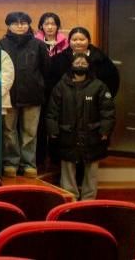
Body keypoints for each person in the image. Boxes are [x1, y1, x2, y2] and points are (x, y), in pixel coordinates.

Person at [46, 54, 116, 201]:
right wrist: (53, 131)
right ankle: (70, 198)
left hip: (93, 135)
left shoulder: (99, 86)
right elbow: (52, 112)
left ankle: (88, 200)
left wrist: (105, 131)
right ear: (71, 65)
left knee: (92, 170)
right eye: (77, 62)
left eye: (83, 63)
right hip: (67, 134)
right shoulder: (61, 86)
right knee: (67, 168)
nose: (80, 65)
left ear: (89, 66)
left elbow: (108, 112)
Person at [0, 11, 50, 178]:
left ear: (29, 25)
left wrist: (40, 87)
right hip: (8, 96)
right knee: (8, 131)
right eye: (15, 23)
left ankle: (28, 164)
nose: (20, 26)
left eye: (23, 23)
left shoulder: (39, 45)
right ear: (8, 25)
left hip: (33, 95)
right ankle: (10, 163)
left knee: (30, 132)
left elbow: (46, 71)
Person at [48, 27, 120, 98]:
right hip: (66, 101)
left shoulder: (101, 58)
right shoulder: (59, 59)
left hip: (95, 101)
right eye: (74, 40)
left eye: (82, 39)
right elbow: (52, 83)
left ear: (89, 41)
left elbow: (112, 81)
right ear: (69, 42)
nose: (78, 42)